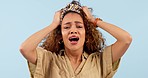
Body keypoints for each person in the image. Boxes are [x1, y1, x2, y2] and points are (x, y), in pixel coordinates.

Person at [19, 1, 132, 78]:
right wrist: (53, 25)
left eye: (79, 26)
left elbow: (126, 39)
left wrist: (94, 21)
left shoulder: (99, 61)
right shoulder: (49, 60)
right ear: (60, 35)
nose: (73, 30)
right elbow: (25, 48)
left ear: (86, 34)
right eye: (66, 27)